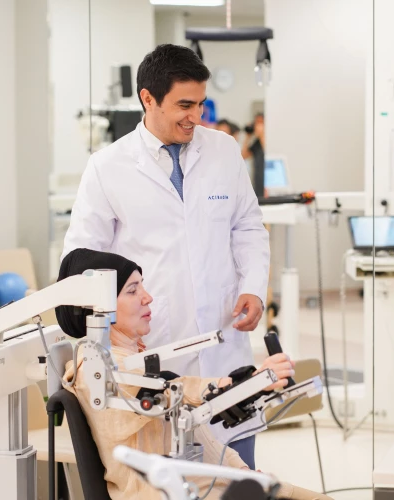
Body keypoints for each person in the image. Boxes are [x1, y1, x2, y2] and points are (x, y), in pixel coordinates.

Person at [62, 44, 270, 468]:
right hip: (158, 347)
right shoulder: (108, 166)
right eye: (184, 105)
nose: (196, 116)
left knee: (239, 475)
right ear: (148, 99)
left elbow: (247, 226)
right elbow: (82, 262)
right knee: (174, 474)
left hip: (224, 338)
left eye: (201, 104)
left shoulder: (224, 150)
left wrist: (253, 287)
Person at [56, 249, 330, 500]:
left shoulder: (132, 358)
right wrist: (249, 382)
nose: (147, 297)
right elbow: (175, 390)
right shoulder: (95, 369)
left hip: (203, 486)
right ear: (100, 308)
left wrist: (243, 471)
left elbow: (199, 431)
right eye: (132, 290)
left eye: (143, 286)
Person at [242, 113, 266, 198]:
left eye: (261, 122)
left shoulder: (269, 139)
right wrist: (248, 137)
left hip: (268, 183)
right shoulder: (256, 142)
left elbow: (269, 154)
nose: (258, 126)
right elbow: (243, 156)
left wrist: (262, 135)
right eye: (256, 123)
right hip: (257, 182)